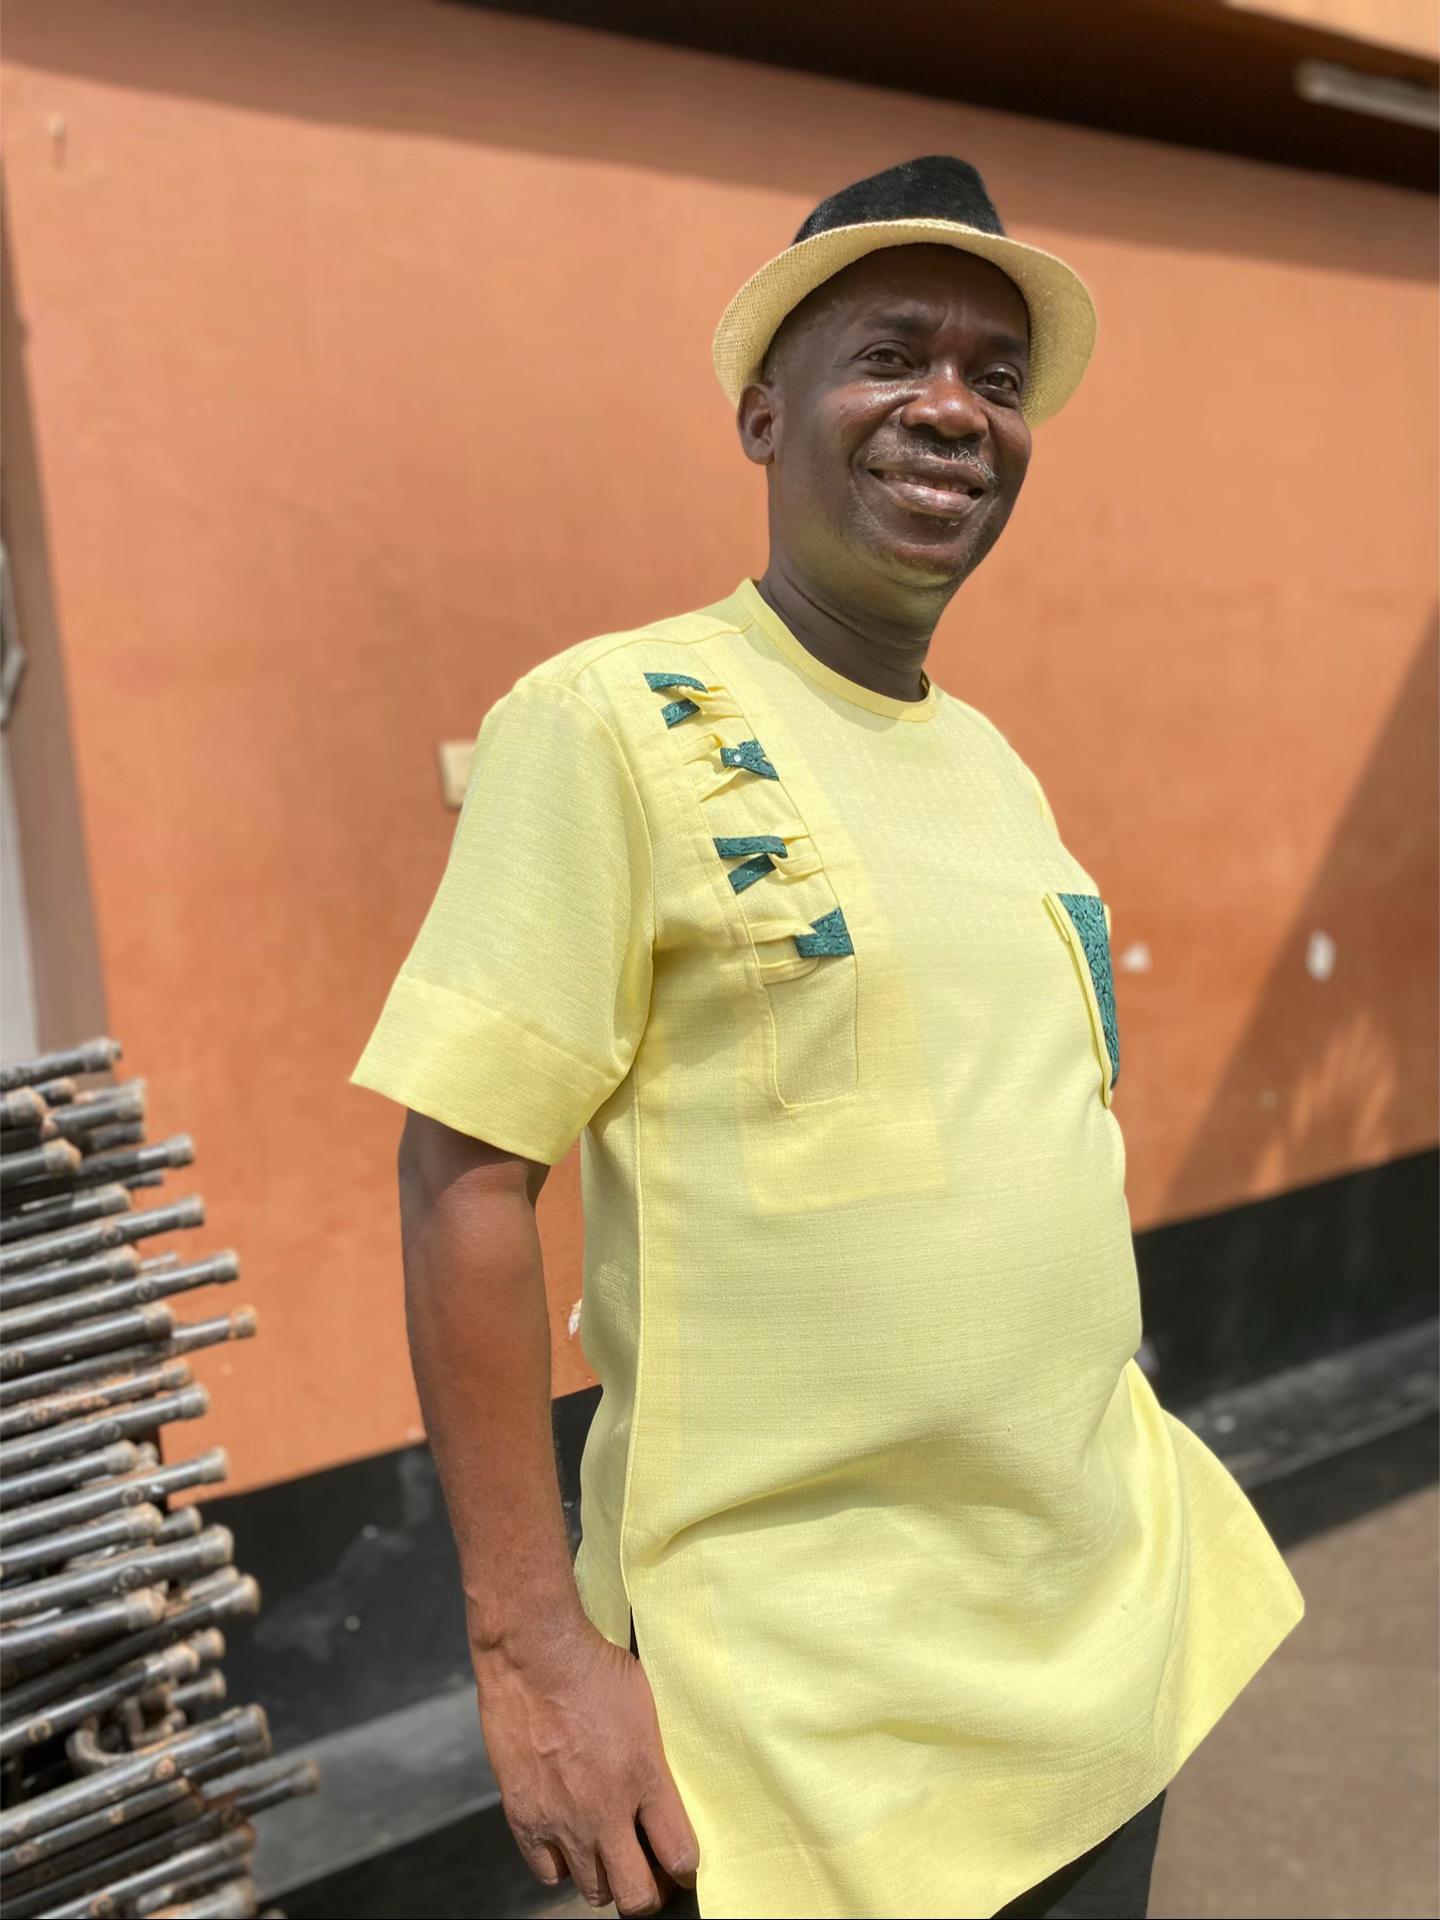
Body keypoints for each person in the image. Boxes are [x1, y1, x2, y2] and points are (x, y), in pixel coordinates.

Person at [352, 156, 1305, 1919]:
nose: (953, 407)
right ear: (763, 414)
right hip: (795, 1744)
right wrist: (531, 1653)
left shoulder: (997, 770)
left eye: (997, 378)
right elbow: (461, 1177)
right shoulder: (611, 718)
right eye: (891, 355)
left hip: (1097, 1674)